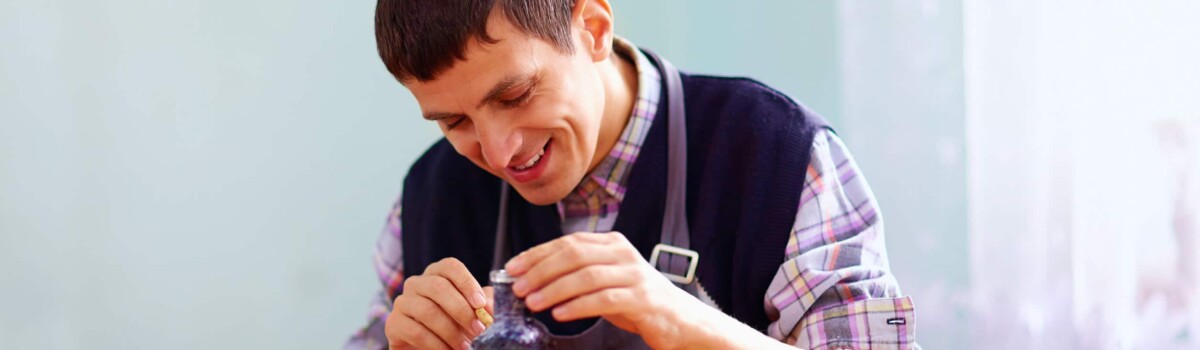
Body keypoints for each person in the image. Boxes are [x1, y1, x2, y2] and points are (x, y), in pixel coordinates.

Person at [346, 0, 918, 349]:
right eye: (454, 121)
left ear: (592, 28)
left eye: (517, 94)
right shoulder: (429, 197)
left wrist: (687, 325)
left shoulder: (781, 157)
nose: (498, 153)